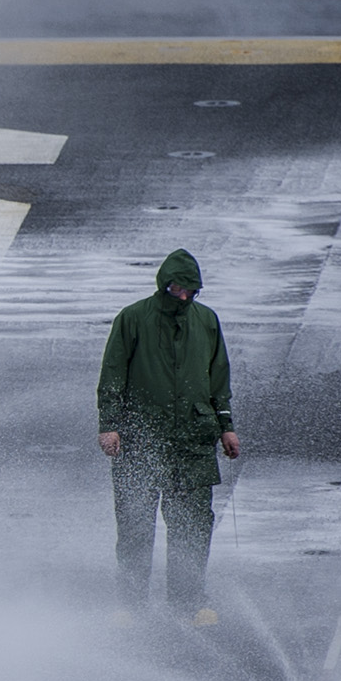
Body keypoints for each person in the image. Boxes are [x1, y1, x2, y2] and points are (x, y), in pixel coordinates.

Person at [97, 249, 241, 624]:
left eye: (191, 291)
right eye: (178, 289)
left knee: (192, 525)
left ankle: (189, 600)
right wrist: (110, 424)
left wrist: (226, 426)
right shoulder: (132, 319)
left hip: (192, 443)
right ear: (165, 284)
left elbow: (218, 376)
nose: (184, 297)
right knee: (134, 525)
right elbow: (112, 374)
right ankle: (130, 603)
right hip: (140, 440)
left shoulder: (207, 321)